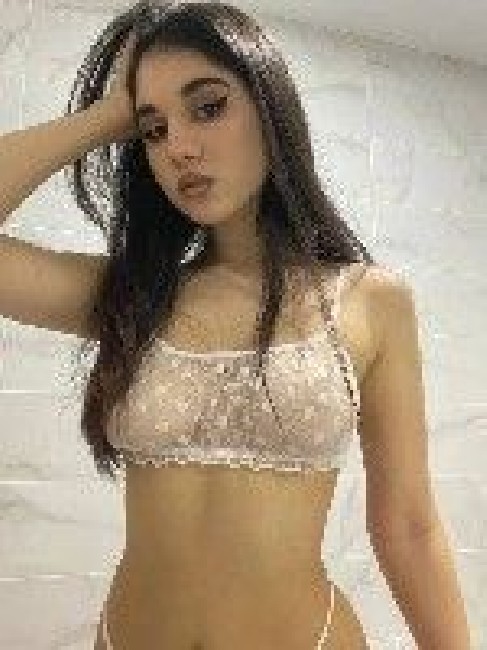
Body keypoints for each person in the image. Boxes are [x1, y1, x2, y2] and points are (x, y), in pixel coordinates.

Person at [0, 2, 471, 649]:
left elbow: (409, 527)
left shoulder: (368, 301)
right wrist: (107, 116)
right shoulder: (131, 298)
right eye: (154, 130)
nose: (179, 148)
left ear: (269, 109)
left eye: (207, 107)